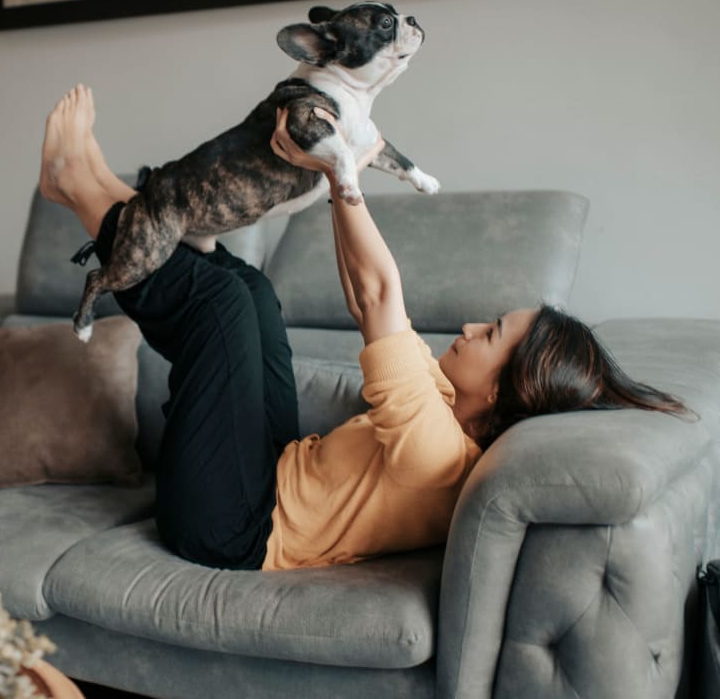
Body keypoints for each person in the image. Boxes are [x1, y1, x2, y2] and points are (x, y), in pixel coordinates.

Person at [39, 84, 687, 572]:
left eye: (490, 334)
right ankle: (97, 188)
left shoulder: (436, 452)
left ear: (499, 393)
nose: (466, 326)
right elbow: (363, 290)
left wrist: (340, 175)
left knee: (219, 309)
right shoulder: (439, 407)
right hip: (265, 472)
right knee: (252, 292)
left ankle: (79, 188)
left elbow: (377, 296)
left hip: (228, 529)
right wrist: (333, 179)